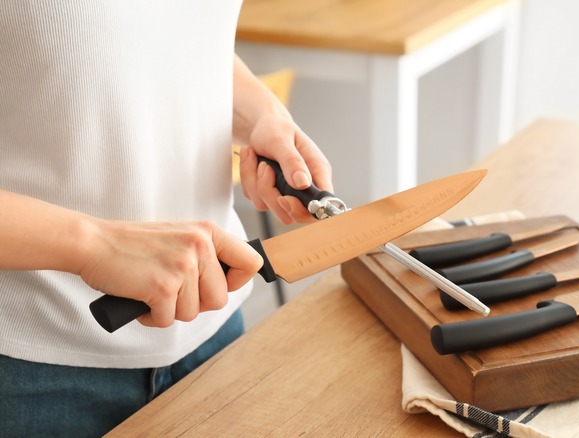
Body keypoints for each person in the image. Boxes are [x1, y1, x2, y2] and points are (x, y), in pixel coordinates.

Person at [0, 2, 333, 436]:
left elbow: (165, 39)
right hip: (33, 372)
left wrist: (262, 115)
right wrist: (94, 245)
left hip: (216, 335)